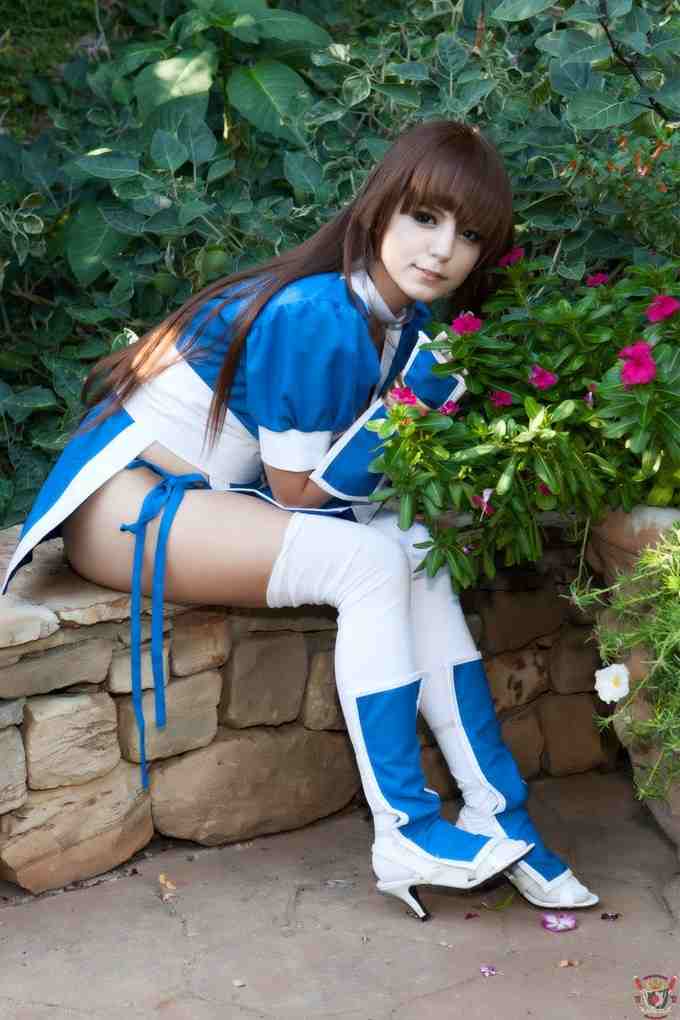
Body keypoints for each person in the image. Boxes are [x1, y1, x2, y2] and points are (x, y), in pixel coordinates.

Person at [1, 120, 598, 918]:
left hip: (210, 503)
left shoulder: (401, 324)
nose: (442, 249)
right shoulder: (318, 311)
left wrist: (421, 412)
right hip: (128, 509)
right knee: (370, 562)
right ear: (381, 208)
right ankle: (409, 828)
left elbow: (354, 482)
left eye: (468, 235)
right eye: (425, 217)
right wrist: (415, 403)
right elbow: (300, 494)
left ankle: (499, 808)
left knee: (415, 544)